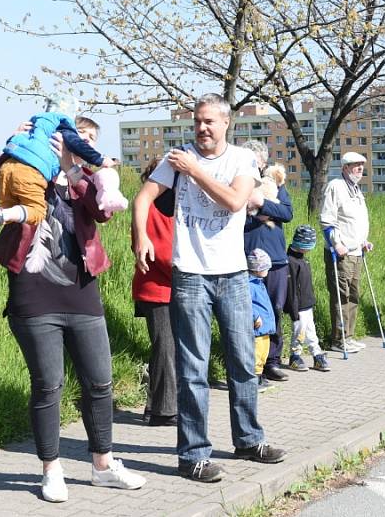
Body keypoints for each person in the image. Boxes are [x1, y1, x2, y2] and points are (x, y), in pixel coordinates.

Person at [0, 119, 145, 503]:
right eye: (75, 137)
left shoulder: (85, 180)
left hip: (81, 293)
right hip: (33, 295)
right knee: (48, 385)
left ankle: (102, 465)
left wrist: (73, 169)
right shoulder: (24, 170)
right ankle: (51, 471)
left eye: (87, 141)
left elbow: (102, 212)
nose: (78, 144)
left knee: (100, 382)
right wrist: (15, 143)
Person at [133, 93, 286, 483]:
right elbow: (144, 198)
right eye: (197, 121)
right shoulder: (177, 157)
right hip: (190, 276)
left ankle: (249, 439)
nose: (202, 128)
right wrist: (140, 236)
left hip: (233, 275)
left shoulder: (240, 160)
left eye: (209, 122)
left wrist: (195, 172)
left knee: (242, 360)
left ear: (225, 124)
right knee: (193, 367)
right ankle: (193, 455)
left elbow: (236, 201)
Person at [0, 97, 116, 253]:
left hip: (78, 270)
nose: (87, 140)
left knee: (8, 208)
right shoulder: (35, 165)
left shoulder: (91, 178)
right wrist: (14, 147)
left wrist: (70, 169)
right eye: (82, 133)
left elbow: (103, 214)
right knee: (18, 208)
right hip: (27, 265)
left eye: (92, 137)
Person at [243, 139, 294, 382]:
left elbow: (287, 213)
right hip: (246, 259)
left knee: (274, 310)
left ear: (263, 162)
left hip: (276, 259)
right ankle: (251, 364)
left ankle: (272, 361)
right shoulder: (239, 183)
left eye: (256, 161)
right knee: (251, 314)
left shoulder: (274, 183)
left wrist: (263, 204)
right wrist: (255, 217)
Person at [131, 159, 177, 427]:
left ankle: (159, 406)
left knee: (167, 349)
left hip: (167, 288)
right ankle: (163, 410)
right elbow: (160, 253)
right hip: (158, 290)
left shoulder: (168, 207)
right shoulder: (148, 209)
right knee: (165, 349)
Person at [320, 151, 372, 353]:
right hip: (342, 253)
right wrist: (336, 243)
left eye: (361, 165)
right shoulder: (336, 187)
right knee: (341, 295)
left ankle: (348, 336)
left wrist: (364, 241)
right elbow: (327, 219)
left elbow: (354, 221)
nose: (359, 168)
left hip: (357, 251)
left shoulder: (357, 189)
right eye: (355, 165)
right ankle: (338, 339)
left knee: (353, 295)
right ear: (345, 168)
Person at [285, 225, 331, 371]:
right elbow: (291, 288)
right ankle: (295, 356)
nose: (310, 249)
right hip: (297, 306)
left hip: (307, 304)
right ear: (302, 244)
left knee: (311, 331)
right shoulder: (291, 262)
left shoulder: (303, 260)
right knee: (300, 332)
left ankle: (317, 354)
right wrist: (294, 310)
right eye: (309, 246)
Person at [246, 248, 277, 392]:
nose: (267, 271)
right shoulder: (249, 285)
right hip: (257, 327)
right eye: (265, 268)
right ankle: (254, 380)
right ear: (257, 269)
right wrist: (254, 316)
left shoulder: (259, 282)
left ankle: (259, 376)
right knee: (257, 354)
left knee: (263, 353)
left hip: (265, 328)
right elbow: (247, 303)